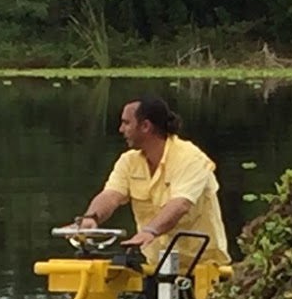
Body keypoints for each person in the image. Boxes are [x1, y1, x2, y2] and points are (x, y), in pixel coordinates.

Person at [75, 98, 231, 266]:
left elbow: (180, 204)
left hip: (203, 266)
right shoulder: (128, 161)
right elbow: (111, 195)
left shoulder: (190, 157)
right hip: (156, 265)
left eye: (126, 123)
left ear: (145, 126)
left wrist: (150, 231)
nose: (121, 129)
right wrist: (91, 218)